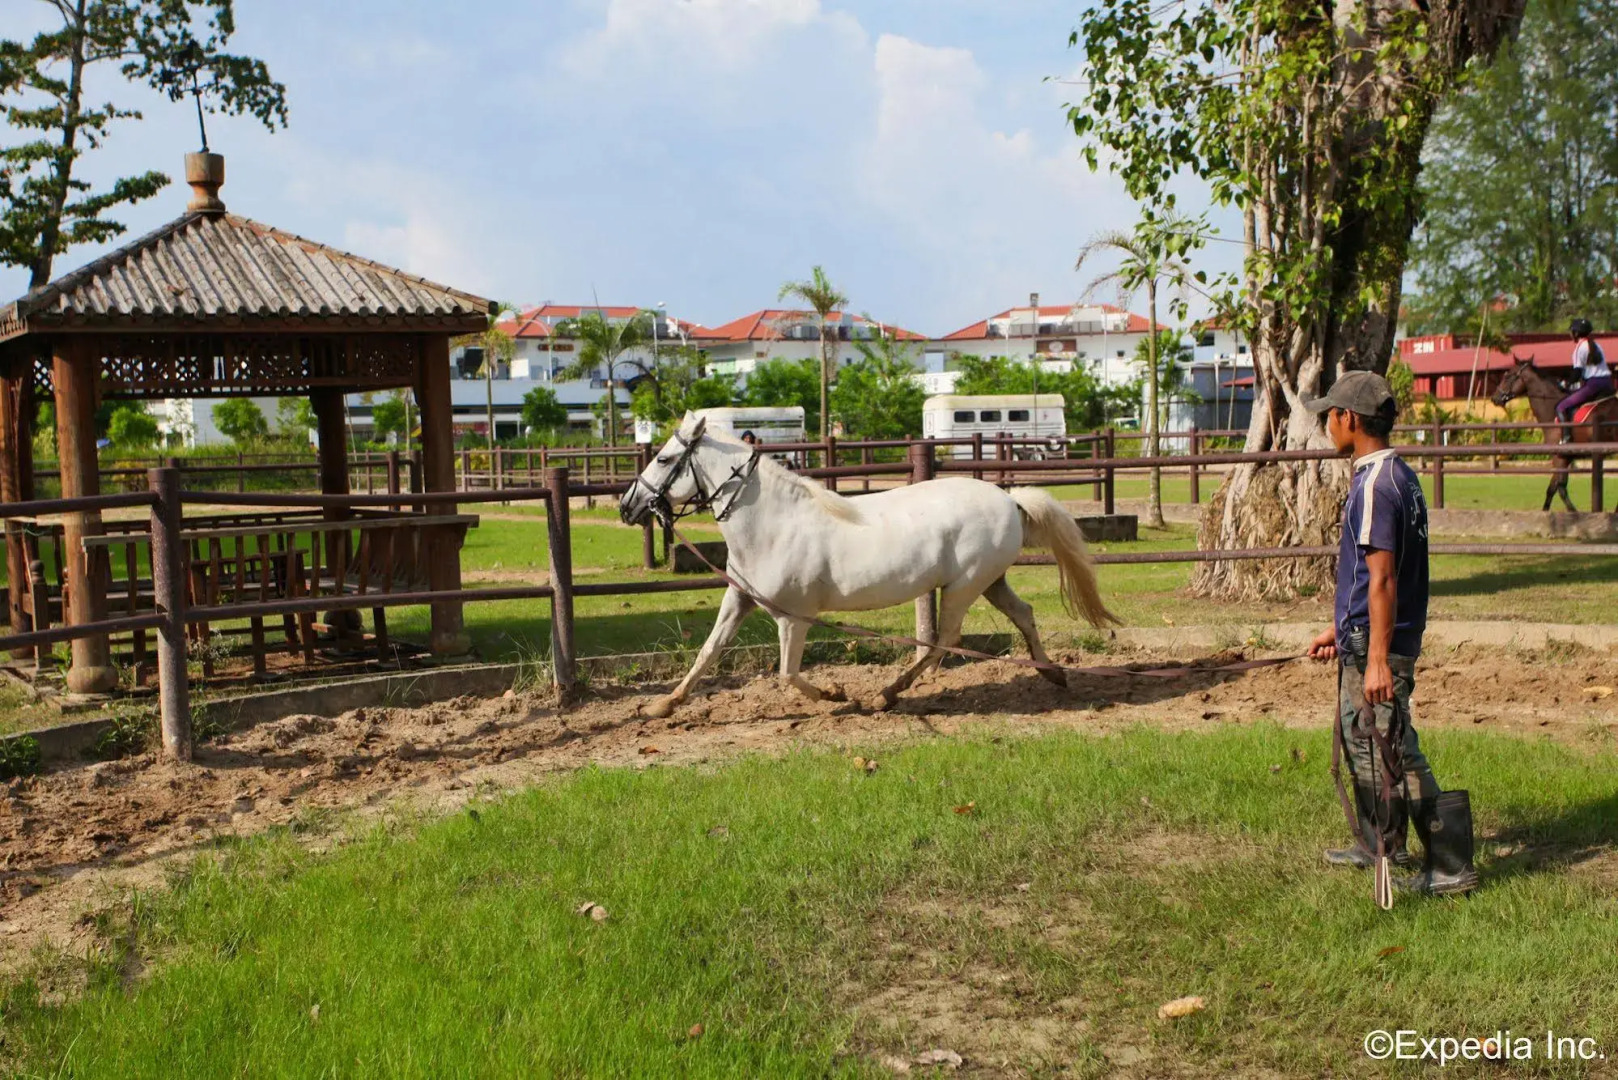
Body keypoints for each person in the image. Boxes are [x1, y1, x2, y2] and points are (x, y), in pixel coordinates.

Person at [1305, 370, 1478, 897]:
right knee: (1363, 740)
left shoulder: (1376, 486)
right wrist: (1341, 628)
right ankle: (1379, 843)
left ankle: (1451, 865)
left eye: (1330, 415)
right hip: (1367, 635)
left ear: (1349, 419)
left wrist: (1377, 656)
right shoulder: (1399, 476)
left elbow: (1382, 578)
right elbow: (1374, 575)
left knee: (1394, 746)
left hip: (1379, 644)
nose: (1327, 425)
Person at [1555, 318, 1613, 430]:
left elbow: (1577, 373)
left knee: (1561, 407)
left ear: (1576, 333)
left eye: (1571, 332)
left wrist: (1565, 384)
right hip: (1607, 383)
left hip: (1593, 385)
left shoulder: (1579, 348)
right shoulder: (1597, 346)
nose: (1570, 334)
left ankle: (1566, 436)